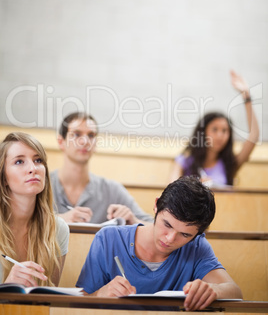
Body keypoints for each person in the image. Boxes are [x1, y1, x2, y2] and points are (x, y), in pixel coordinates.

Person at [76, 176, 243, 310]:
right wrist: (99, 294)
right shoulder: (108, 239)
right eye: (167, 224)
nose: (170, 239)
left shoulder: (196, 247)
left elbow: (235, 291)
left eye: (184, 234)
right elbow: (75, 305)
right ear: (156, 206)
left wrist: (214, 290)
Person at [50, 112, 153, 224]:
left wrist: (134, 221)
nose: (85, 141)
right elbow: (28, 222)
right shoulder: (42, 186)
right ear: (61, 142)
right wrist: (58, 221)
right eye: (76, 134)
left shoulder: (112, 191)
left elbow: (153, 227)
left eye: (91, 135)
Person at [0, 132, 69, 287]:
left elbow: (47, 300)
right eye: (19, 162)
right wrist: (7, 288)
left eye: (38, 160)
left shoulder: (57, 229)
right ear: (4, 178)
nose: (33, 168)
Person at [169, 70, 259, 186]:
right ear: (203, 132)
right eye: (214, 129)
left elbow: (254, 137)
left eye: (225, 131)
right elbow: (170, 192)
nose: (220, 135)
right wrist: (195, 187)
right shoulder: (184, 161)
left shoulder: (229, 164)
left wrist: (246, 96)